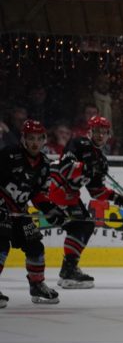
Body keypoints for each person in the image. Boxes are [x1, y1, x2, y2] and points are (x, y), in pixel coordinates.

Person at [49, 115, 123, 289]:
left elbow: (97, 192)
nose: (100, 135)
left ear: (108, 135)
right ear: (90, 131)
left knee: (84, 226)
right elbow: (66, 169)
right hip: (53, 187)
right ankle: (68, 270)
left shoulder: (101, 160)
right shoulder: (78, 144)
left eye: (104, 132)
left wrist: (122, 200)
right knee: (81, 226)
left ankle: (68, 270)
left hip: (68, 195)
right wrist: (87, 167)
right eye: (97, 131)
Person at [0, 120, 60, 307]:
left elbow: (38, 194)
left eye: (38, 139)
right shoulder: (9, 155)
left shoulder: (43, 165)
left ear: (44, 140)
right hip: (1, 209)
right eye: (30, 138)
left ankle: (37, 285)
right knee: (1, 245)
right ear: (23, 139)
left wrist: (50, 210)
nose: (34, 143)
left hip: (19, 212)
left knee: (35, 245)